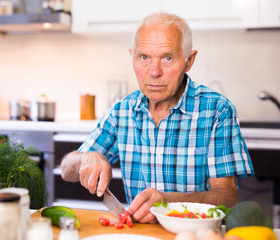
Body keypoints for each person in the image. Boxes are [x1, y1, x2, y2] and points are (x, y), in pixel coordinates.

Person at [61, 13, 254, 223]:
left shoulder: (217, 110)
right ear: (132, 57)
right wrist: (85, 159)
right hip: (141, 234)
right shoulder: (121, 111)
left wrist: (168, 202)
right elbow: (66, 169)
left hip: (198, 235)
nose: (154, 72)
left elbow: (228, 198)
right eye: (144, 57)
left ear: (189, 61)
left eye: (167, 58)